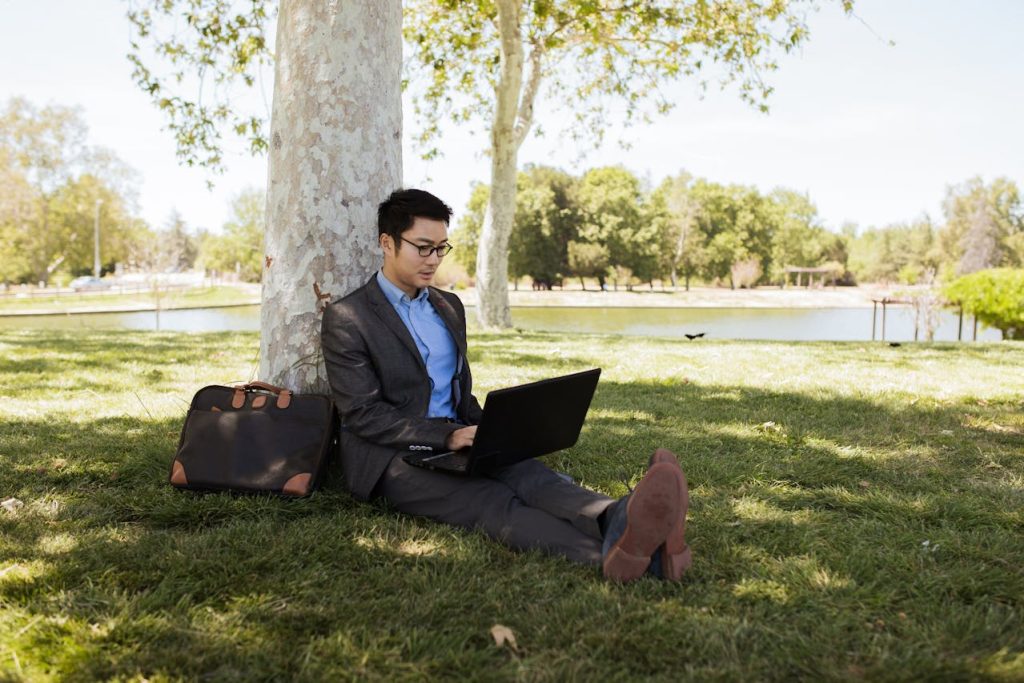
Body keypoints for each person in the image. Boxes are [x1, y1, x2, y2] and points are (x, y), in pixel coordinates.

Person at [320, 188, 691, 581]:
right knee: (493, 500)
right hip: (390, 457)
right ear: (387, 243)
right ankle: (627, 558)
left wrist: (498, 432)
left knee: (531, 475)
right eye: (423, 248)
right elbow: (363, 415)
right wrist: (447, 438)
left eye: (441, 248)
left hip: (459, 435)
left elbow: (459, 390)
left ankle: (615, 515)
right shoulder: (348, 317)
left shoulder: (448, 306)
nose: (433, 260)